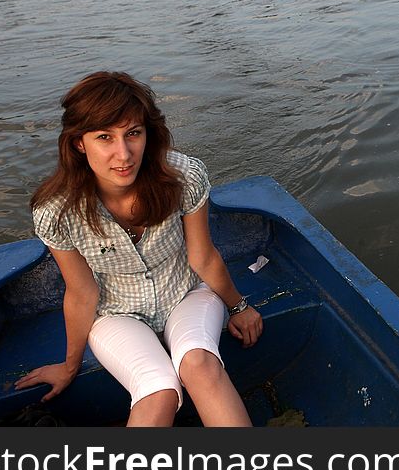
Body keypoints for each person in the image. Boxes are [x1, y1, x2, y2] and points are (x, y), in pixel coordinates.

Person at [14, 71, 263, 426]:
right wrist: (69, 367)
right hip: (116, 312)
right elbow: (82, 291)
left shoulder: (182, 177)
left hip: (185, 293)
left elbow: (203, 257)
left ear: (148, 133)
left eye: (133, 133)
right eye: (104, 137)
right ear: (79, 143)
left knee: (200, 365)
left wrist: (239, 307)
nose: (124, 153)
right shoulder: (57, 211)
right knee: (157, 390)